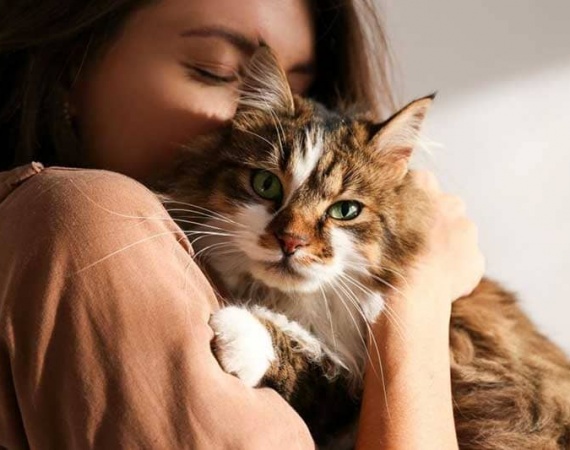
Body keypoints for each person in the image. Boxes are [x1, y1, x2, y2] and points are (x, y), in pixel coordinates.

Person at [0, 0, 484, 448]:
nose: (261, 114)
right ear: (71, 71)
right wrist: (419, 298)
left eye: (297, 90)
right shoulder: (90, 216)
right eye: (218, 71)